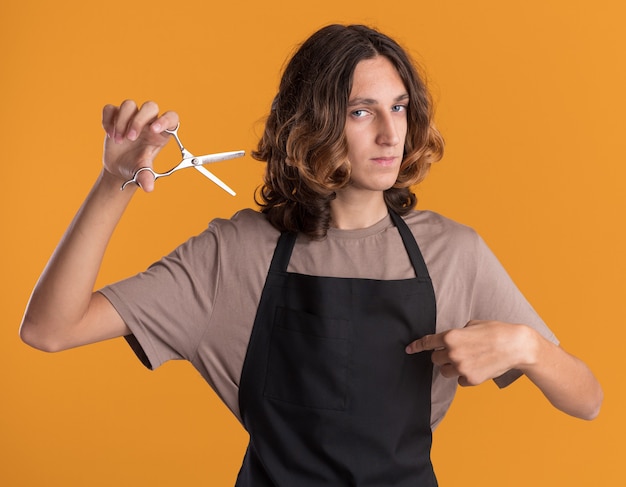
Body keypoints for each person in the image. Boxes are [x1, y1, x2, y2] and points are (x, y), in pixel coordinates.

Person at [20, 24, 602, 486]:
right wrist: (113, 181)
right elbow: (49, 328)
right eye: (361, 110)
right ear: (313, 124)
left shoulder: (453, 252)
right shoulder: (236, 253)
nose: (390, 134)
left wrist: (527, 348)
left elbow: (588, 400)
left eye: (398, 108)